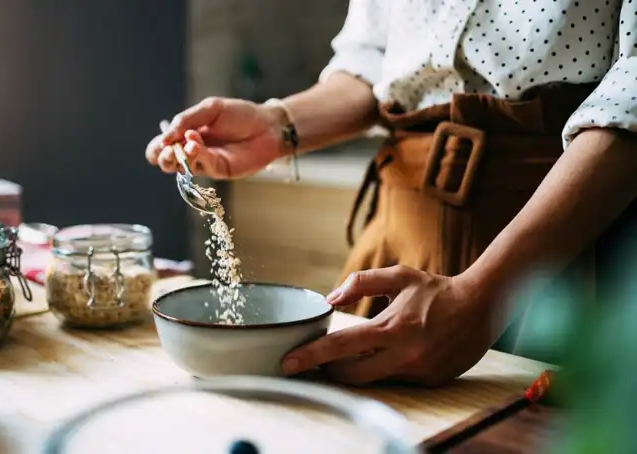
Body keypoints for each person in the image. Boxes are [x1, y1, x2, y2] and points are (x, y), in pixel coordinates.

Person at [146, 0, 637, 386]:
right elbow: (370, 62)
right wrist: (277, 125)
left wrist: (485, 295)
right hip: (399, 233)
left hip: (561, 252)